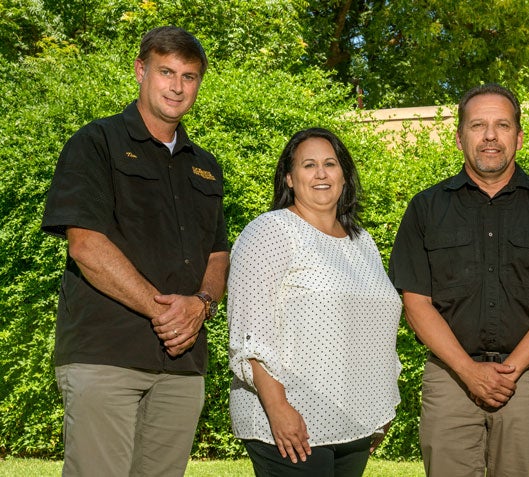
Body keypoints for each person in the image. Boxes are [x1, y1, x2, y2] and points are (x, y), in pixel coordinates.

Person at [41, 26, 228, 476]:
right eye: (166, 72)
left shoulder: (205, 166)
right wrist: (166, 313)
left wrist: (201, 305)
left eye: (190, 76)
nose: (178, 86)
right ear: (141, 71)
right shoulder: (96, 143)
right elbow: (86, 245)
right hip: (106, 355)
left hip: (182, 365)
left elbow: (218, 255)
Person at [388, 83, 529, 476]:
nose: (489, 136)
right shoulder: (425, 208)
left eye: (502, 125)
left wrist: (512, 369)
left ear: (518, 137)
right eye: (477, 125)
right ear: (458, 137)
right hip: (450, 376)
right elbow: (416, 305)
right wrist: (469, 372)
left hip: (527, 377)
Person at [227, 127, 402, 477]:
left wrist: (379, 409)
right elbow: (249, 333)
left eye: (330, 164)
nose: (321, 173)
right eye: (308, 165)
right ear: (290, 178)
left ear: (344, 175)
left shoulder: (361, 241)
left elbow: (374, 328)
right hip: (294, 420)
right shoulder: (270, 231)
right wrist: (278, 409)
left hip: (354, 422)